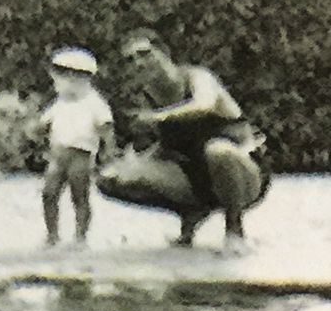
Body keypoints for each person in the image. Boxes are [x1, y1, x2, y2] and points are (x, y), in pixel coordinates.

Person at [108, 30, 265, 250]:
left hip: (244, 170)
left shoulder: (197, 77)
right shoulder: (147, 96)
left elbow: (204, 105)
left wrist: (159, 117)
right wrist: (133, 165)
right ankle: (190, 217)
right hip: (199, 177)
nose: (139, 63)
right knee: (112, 178)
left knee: (218, 151)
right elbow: (168, 146)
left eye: (144, 54)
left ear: (164, 52)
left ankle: (234, 231)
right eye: (131, 60)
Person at [39, 48, 110, 247]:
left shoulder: (94, 102)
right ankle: (52, 236)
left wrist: (108, 154)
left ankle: (80, 237)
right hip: (58, 154)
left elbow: (105, 126)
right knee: (49, 193)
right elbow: (44, 123)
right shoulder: (60, 102)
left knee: (79, 195)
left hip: (81, 154)